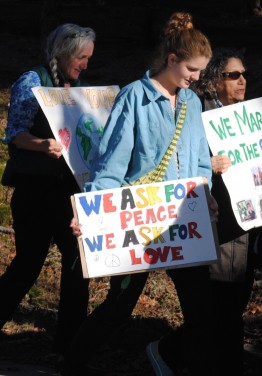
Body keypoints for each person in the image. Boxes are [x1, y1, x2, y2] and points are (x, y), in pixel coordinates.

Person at [62, 12, 216, 376]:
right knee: (119, 303)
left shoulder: (192, 103)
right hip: (138, 218)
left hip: (183, 217)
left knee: (203, 308)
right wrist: (90, 212)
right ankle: (72, 363)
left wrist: (206, 195)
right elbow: (111, 164)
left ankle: (171, 358)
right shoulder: (133, 97)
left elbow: (199, 160)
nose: (196, 79)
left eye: (201, 71)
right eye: (192, 70)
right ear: (171, 59)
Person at [0, 23, 95, 359]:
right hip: (35, 190)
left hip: (70, 192)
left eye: (88, 59)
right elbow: (15, 134)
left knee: (77, 266)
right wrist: (44, 146)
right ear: (64, 53)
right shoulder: (32, 81)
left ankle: (70, 346)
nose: (85, 65)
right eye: (81, 58)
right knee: (28, 263)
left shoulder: (81, 90)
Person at [193, 47, 262, 375]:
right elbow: (177, 159)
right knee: (225, 303)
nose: (242, 81)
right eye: (233, 75)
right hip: (221, 222)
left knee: (236, 299)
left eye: (244, 75)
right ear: (215, 80)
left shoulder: (247, 116)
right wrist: (207, 163)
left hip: (251, 223)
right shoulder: (199, 114)